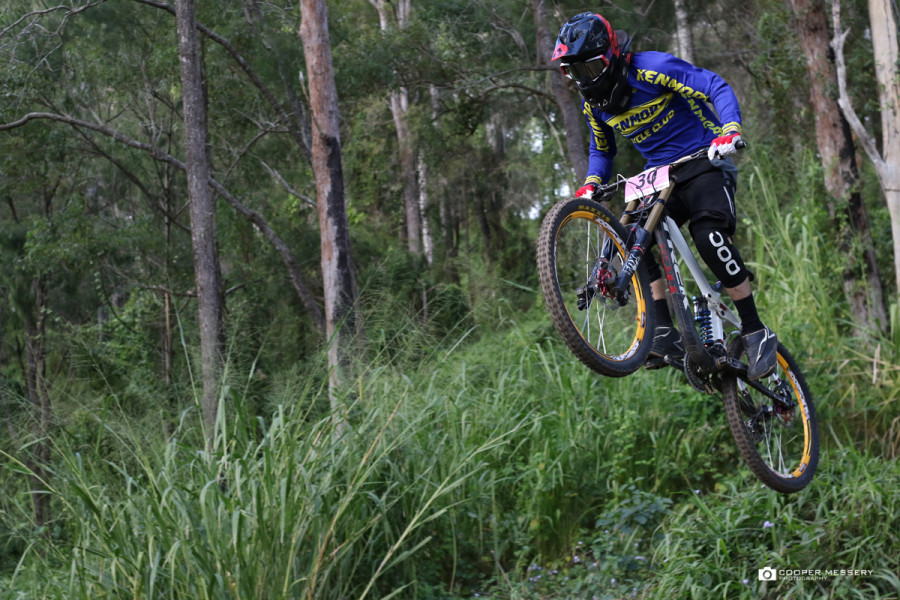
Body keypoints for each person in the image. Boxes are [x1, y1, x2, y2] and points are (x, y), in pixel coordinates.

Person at [552, 12, 777, 380]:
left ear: (610, 56)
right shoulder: (594, 104)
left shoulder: (652, 69)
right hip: (658, 175)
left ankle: (755, 329)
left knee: (708, 237)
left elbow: (714, 85)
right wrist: (592, 182)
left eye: (590, 68)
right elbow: (601, 150)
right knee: (631, 241)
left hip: (704, 159)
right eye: (575, 72)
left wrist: (730, 128)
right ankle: (660, 330)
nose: (585, 79)